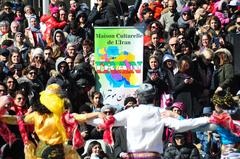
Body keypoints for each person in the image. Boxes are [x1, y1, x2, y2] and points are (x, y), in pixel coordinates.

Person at [89, 83, 210, 158]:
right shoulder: (160, 112)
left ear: (138, 99)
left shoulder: (130, 112)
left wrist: (82, 118)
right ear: (153, 99)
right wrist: (207, 119)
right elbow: (180, 126)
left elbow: (104, 122)